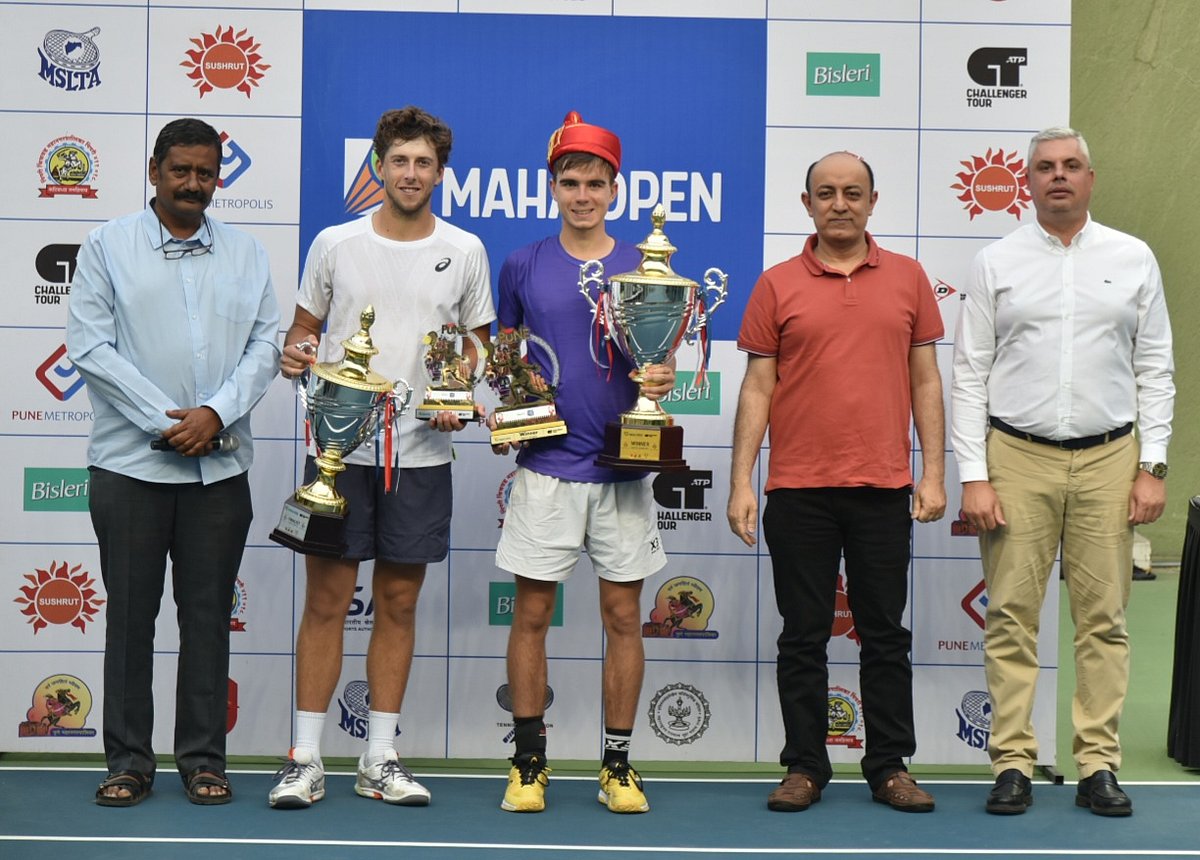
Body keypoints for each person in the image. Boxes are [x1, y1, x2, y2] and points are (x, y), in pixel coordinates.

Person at [268, 106, 495, 809]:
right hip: (336, 456)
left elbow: (477, 346)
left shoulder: (465, 250)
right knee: (327, 602)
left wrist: (463, 389)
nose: (411, 173)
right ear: (378, 165)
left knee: (398, 603)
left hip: (422, 453)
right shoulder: (335, 243)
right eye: (399, 160)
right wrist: (295, 356)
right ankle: (305, 759)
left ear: (439, 172)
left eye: (424, 162)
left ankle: (379, 758)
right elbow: (303, 333)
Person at [951, 127, 1174, 817]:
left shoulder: (1133, 258)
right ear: (1027, 181)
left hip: (1112, 457)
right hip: (1015, 456)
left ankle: (1097, 766)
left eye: (1071, 166)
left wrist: (1152, 464)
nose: (1058, 177)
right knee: (1011, 617)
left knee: (1103, 618)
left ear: (1090, 178)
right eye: (1044, 167)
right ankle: (1013, 762)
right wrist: (973, 475)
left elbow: (1155, 367)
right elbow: (968, 374)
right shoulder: (997, 262)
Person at [66, 118, 281, 806]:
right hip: (131, 469)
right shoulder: (107, 245)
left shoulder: (247, 253)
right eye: (181, 170)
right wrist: (172, 422)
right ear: (155, 169)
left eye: (206, 173)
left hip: (218, 471)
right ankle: (128, 761)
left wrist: (214, 415)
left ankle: (203, 760)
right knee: (130, 618)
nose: (193, 184)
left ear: (220, 176)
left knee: (209, 617)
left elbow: (265, 348)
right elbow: (91, 348)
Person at [727, 151, 945, 814]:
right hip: (797, 491)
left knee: (884, 634)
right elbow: (758, 387)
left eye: (853, 192)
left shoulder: (908, 279)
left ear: (873, 201)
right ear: (807, 203)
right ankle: (804, 766)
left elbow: (927, 380)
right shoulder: (776, 284)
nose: (840, 203)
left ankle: (889, 766)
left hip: (883, 489)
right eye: (827, 193)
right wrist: (742, 481)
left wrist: (933, 473)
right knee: (803, 636)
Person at [491, 111, 673, 814]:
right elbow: (507, 355)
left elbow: (661, 357)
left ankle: (617, 766)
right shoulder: (523, 264)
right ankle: (530, 762)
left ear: (614, 188)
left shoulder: (644, 265)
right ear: (552, 186)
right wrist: (506, 403)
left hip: (621, 470)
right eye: (570, 182)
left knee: (623, 617)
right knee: (531, 614)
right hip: (545, 469)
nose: (583, 194)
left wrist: (660, 379)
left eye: (596, 182)